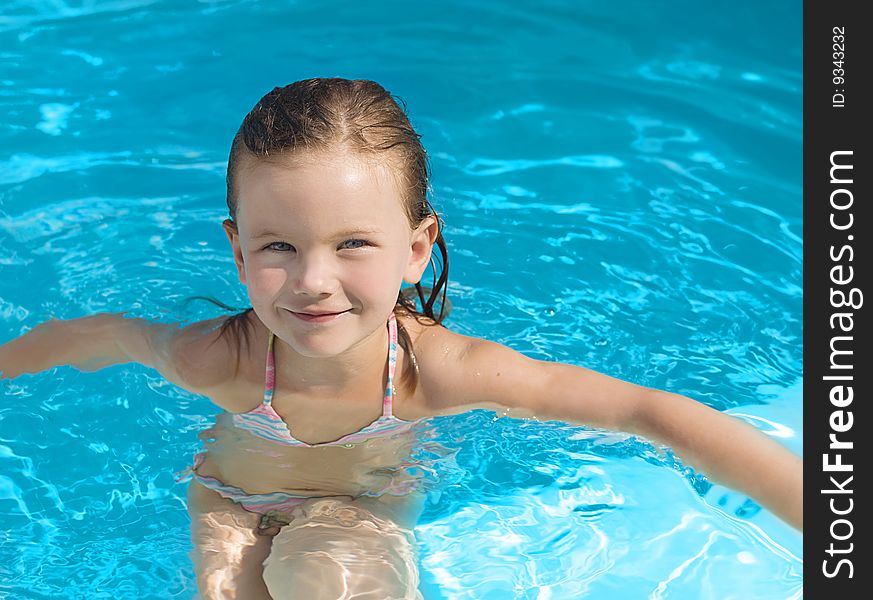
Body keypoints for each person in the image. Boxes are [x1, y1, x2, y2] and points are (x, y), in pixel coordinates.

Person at [0, 77, 802, 600]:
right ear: (238, 253)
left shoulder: (435, 373)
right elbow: (97, 336)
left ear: (416, 249)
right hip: (230, 498)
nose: (313, 279)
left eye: (353, 243)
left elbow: (649, 414)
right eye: (278, 246)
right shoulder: (218, 357)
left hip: (361, 505)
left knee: (325, 578)